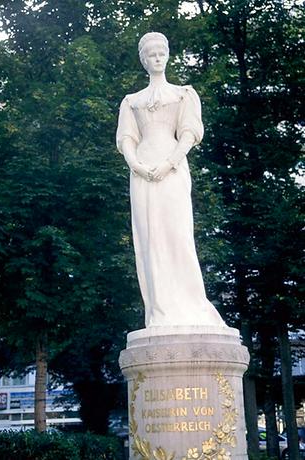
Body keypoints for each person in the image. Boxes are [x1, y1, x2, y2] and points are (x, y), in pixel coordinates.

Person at [116, 32, 225, 328]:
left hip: (172, 170)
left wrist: (169, 163)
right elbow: (126, 138)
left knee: (177, 235)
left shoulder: (183, 94)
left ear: (168, 55)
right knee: (150, 239)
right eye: (151, 54)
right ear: (143, 60)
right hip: (142, 174)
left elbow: (189, 133)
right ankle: (159, 310)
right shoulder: (131, 102)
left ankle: (190, 307)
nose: (157, 57)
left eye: (161, 52)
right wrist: (136, 164)